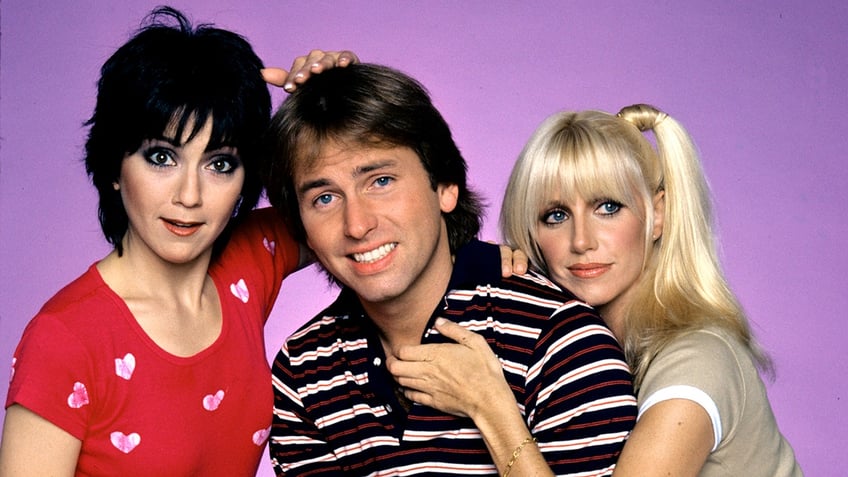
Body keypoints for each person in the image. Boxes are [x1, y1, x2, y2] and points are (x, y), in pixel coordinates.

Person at [0, 7, 354, 475]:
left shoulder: (249, 264)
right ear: (113, 167)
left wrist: (328, 105)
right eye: (161, 157)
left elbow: (350, 216)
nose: (189, 196)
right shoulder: (65, 339)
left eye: (220, 164)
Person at [262, 63, 637, 476]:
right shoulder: (303, 369)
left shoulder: (560, 342)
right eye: (325, 199)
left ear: (445, 187)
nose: (357, 225)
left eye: (381, 181)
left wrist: (490, 410)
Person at [398, 105, 803, 475]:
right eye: (555, 215)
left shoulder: (698, 363)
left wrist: (489, 406)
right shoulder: (574, 347)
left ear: (657, 215)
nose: (581, 241)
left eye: (608, 207)